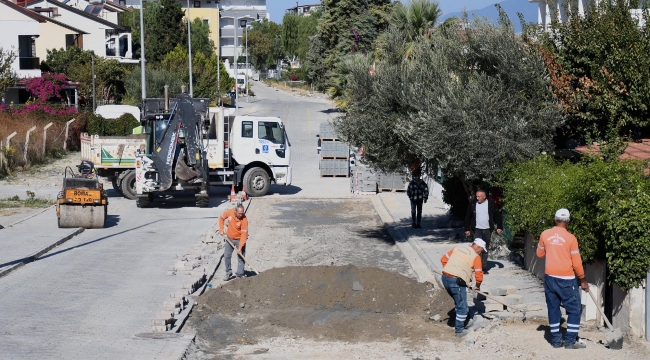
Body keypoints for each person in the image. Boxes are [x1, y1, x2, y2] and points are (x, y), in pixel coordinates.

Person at [537, 208, 589, 349]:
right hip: (566, 279)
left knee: (553, 309)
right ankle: (570, 341)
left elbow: (539, 254)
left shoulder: (545, 234)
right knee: (574, 310)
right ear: (569, 221)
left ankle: (556, 341)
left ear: (555, 219)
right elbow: (577, 263)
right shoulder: (571, 238)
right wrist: (583, 280)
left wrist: (551, 248)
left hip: (549, 278)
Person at [440, 239, 485, 338]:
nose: (481, 252)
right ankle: (459, 331)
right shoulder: (476, 257)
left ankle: (456, 321)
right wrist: (477, 286)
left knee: (458, 301)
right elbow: (479, 275)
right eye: (481, 250)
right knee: (463, 308)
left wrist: (450, 271)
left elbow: (443, 259)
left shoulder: (458, 248)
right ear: (478, 247)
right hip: (456, 281)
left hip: (445, 278)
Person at [464, 189, 503, 273]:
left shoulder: (491, 203)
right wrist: (467, 228)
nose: (477, 198)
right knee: (476, 249)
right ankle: (475, 266)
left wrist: (499, 226)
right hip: (477, 229)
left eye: (479, 196)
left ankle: (483, 268)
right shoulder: (473, 204)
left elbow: (497, 215)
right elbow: (468, 216)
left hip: (487, 229)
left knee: (485, 249)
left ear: (484, 196)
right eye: (477, 196)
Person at [219, 204, 249, 281]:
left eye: (242, 213)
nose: (241, 214)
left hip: (239, 239)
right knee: (227, 256)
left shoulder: (244, 220)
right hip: (229, 238)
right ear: (235, 211)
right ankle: (228, 272)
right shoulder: (230, 212)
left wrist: (240, 247)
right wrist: (221, 229)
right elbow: (221, 218)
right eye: (239, 213)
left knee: (241, 257)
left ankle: (239, 274)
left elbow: (244, 235)